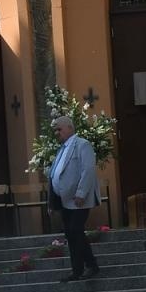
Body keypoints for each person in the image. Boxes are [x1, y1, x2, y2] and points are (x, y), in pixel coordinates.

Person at [47, 115, 100, 282]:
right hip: (64, 200)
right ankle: (77, 270)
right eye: (55, 130)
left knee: (76, 230)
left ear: (69, 128)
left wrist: (81, 193)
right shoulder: (61, 149)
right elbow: (54, 175)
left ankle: (91, 265)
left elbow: (88, 170)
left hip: (78, 199)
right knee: (70, 234)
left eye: (59, 129)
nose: (57, 132)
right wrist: (52, 202)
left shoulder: (82, 145)